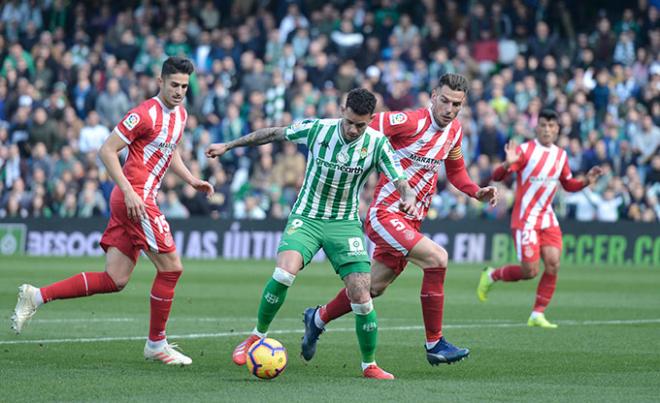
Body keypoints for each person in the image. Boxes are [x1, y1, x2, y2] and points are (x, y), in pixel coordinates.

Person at [11, 57, 214, 366]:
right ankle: (156, 344)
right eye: (174, 85)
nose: (179, 91)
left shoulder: (181, 116)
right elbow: (106, 150)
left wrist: (192, 179)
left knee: (115, 279)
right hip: (136, 198)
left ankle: (36, 296)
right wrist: (131, 191)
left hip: (133, 198)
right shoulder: (143, 114)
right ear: (160, 82)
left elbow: (168, 151)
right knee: (171, 269)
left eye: (184, 87)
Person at [205, 88, 416, 379]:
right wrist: (229, 145)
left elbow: (401, 179)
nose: (354, 129)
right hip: (307, 216)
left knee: (362, 296)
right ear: (343, 110)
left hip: (344, 224)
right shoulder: (318, 129)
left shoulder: (378, 143)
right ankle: (256, 336)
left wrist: (409, 197)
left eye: (361, 125)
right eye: (350, 122)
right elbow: (272, 133)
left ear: (371, 120)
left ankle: (369, 365)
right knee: (284, 273)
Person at [301, 73, 498, 366]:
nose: (449, 109)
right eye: (444, 100)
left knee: (371, 289)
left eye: (456, 104)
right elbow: (366, 126)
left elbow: (456, 172)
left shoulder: (455, 132)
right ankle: (435, 343)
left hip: (412, 220)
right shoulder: (409, 121)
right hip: (386, 213)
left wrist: (475, 191)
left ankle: (317, 318)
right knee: (437, 259)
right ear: (433, 96)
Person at [477, 109, 603, 328]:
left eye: (551, 125)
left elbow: (567, 184)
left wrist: (585, 181)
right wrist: (507, 164)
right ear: (536, 127)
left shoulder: (560, 155)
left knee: (553, 264)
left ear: (557, 129)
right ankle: (492, 275)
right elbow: (496, 177)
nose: (547, 129)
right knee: (530, 271)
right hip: (525, 219)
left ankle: (537, 314)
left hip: (547, 218)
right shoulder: (525, 151)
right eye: (543, 125)